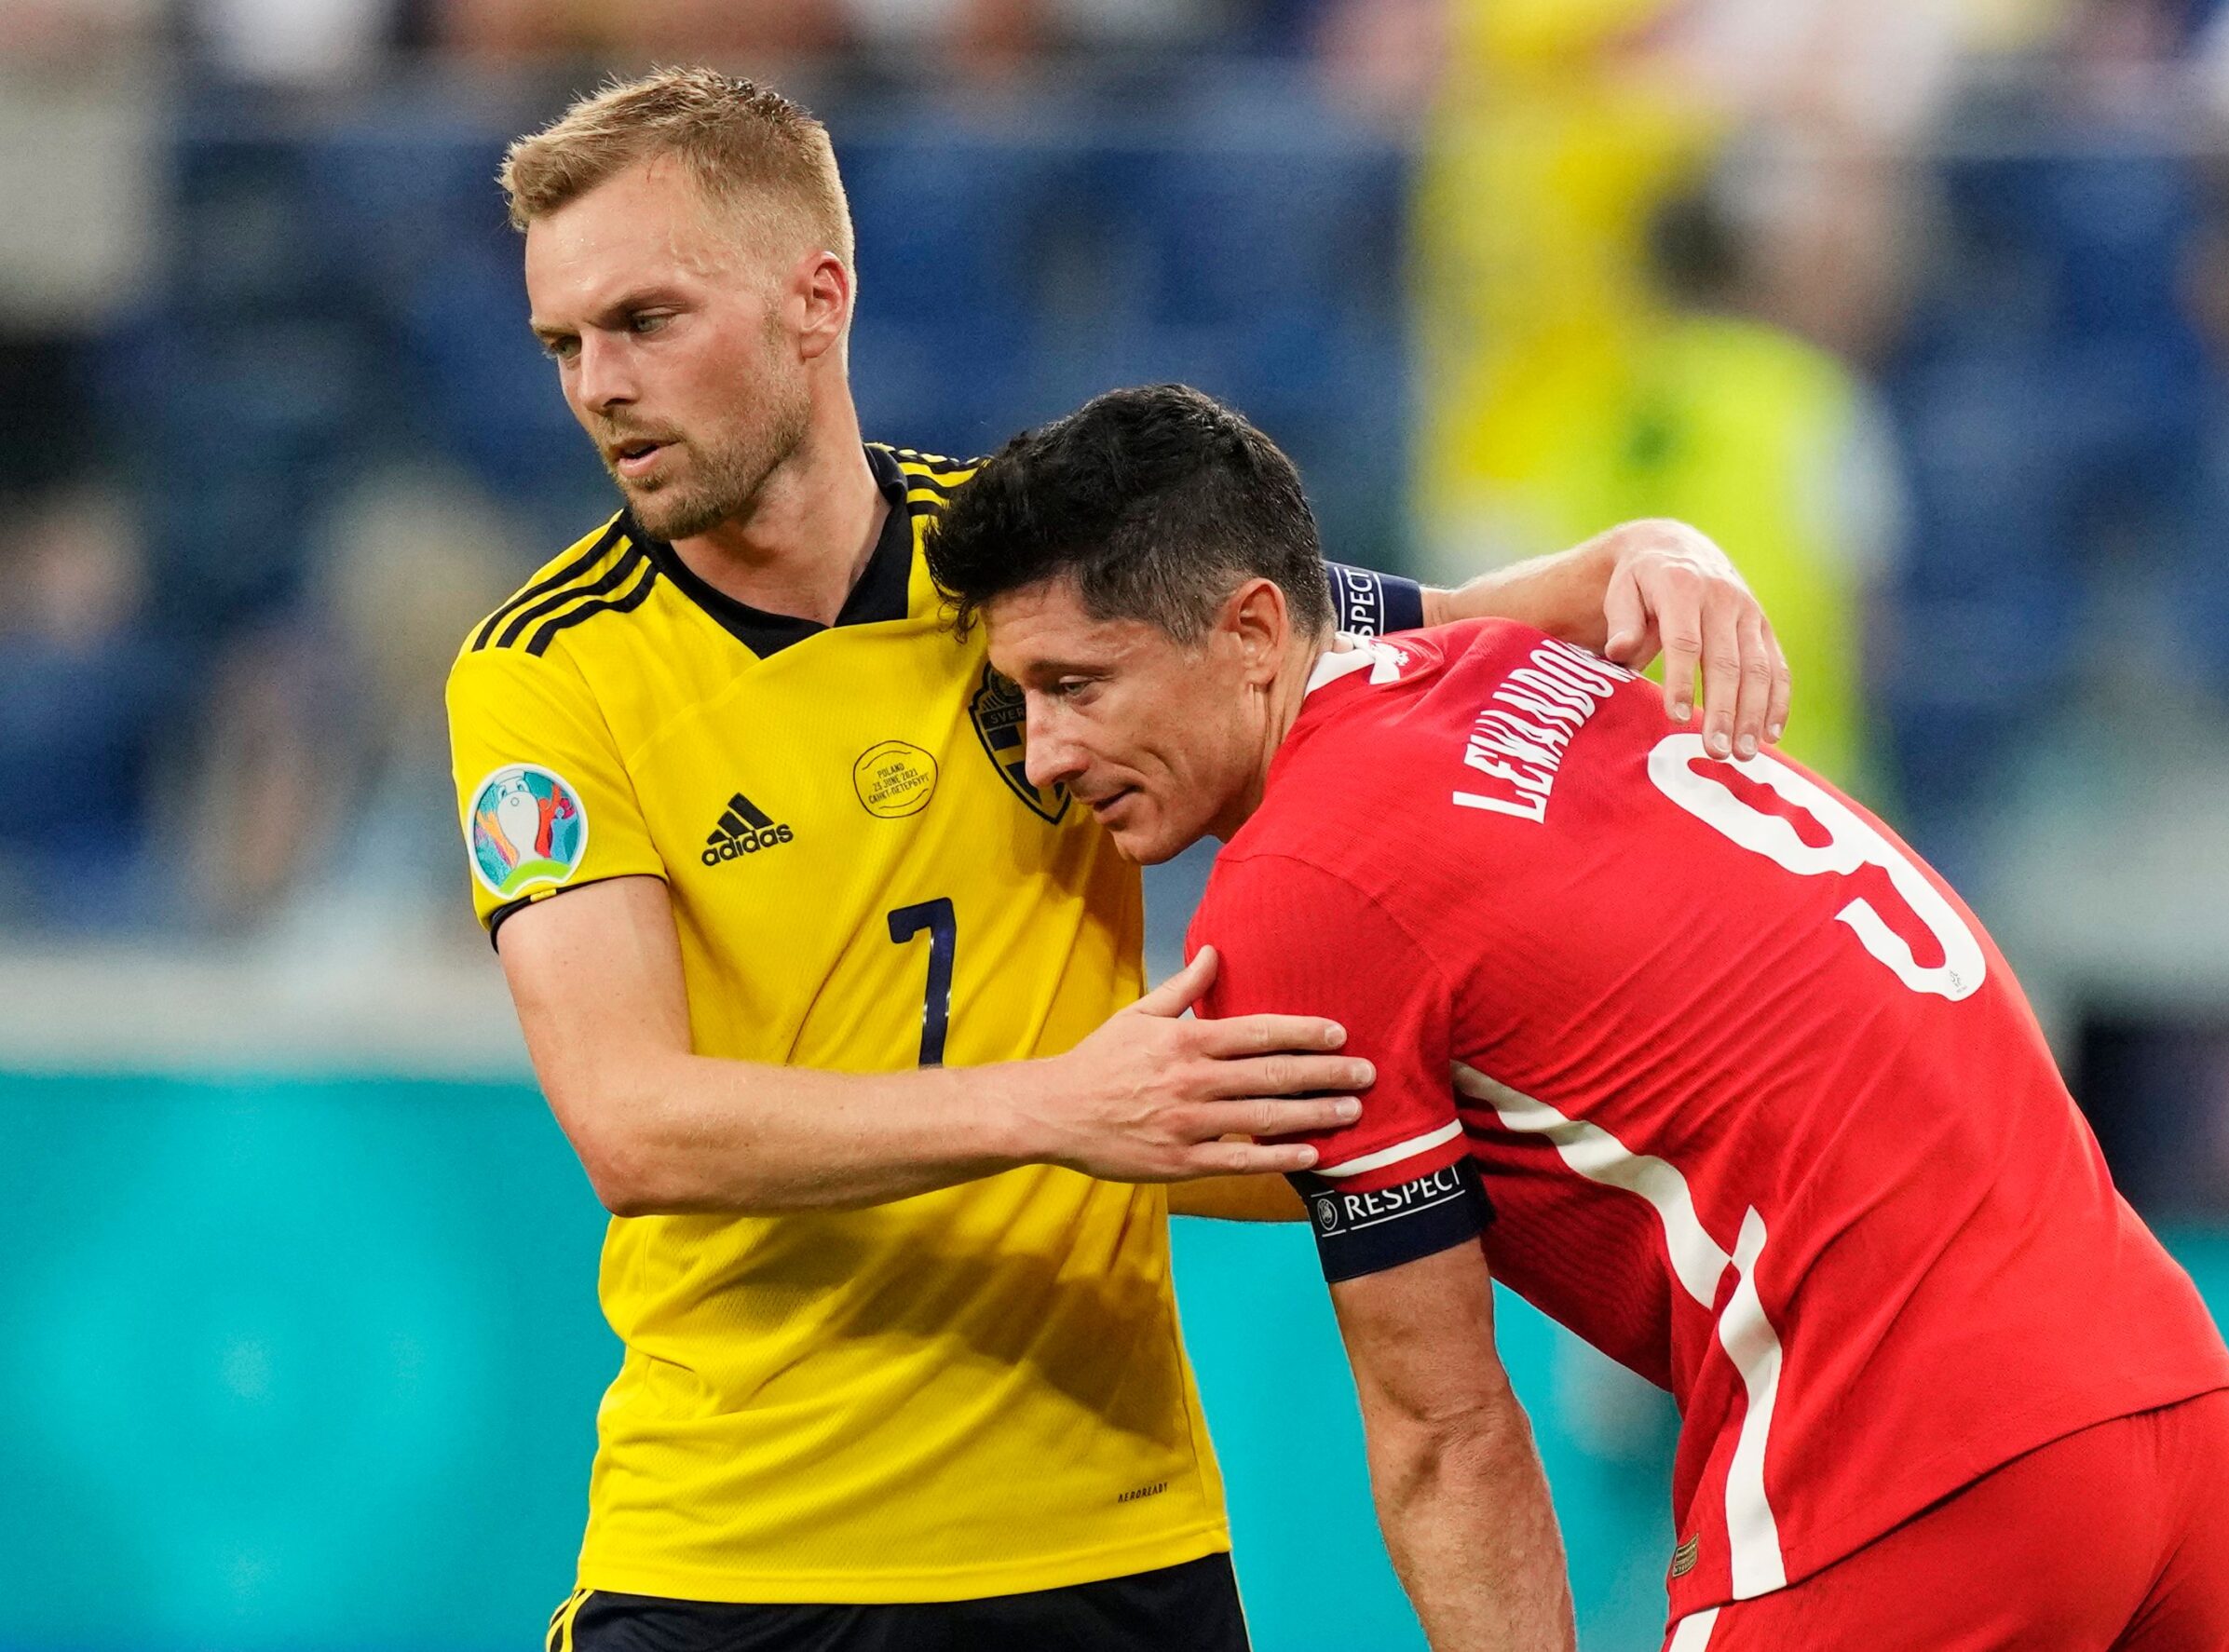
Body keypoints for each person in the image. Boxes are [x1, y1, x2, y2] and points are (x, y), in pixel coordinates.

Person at [448, 69, 1794, 1652]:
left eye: (644, 322)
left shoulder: (1020, 568)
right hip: (737, 1557)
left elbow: (1354, 629)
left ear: (817, 300)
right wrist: (1058, 1106)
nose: (599, 387)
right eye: (565, 344)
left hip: (1110, 1542)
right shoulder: (547, 673)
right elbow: (633, 1122)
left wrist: (1654, 554)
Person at [927, 383, 2229, 1652]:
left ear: (1255, 634)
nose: (1046, 752)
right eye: (1021, 698)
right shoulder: (1509, 663)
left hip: (1913, 1452)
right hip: (2169, 1403)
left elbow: (1446, 1434)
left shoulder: (1308, 882)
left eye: (1078, 686)